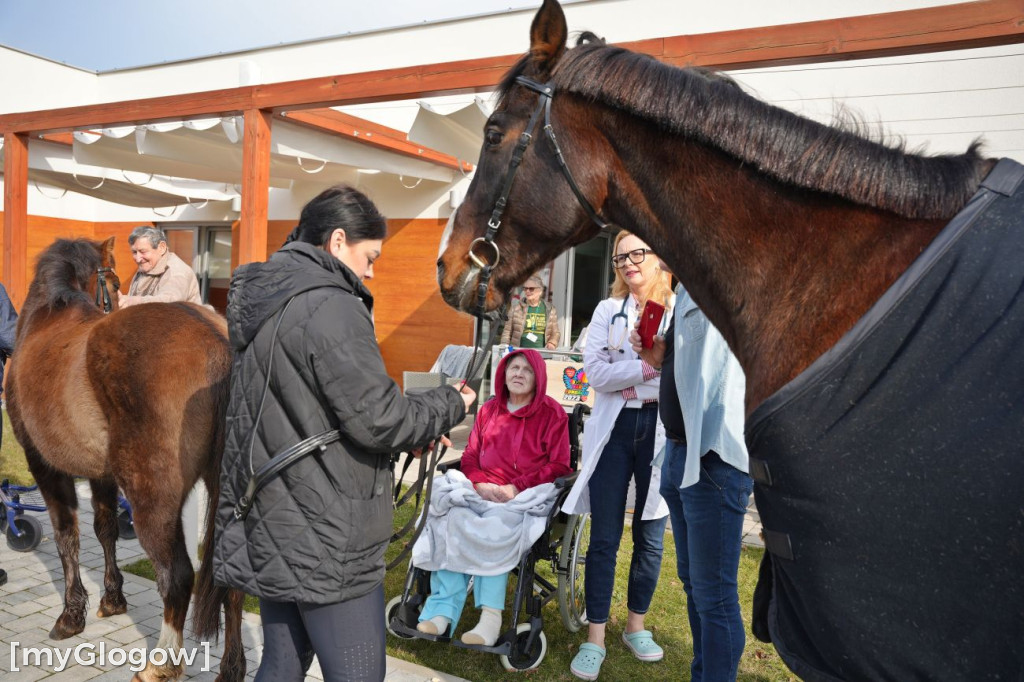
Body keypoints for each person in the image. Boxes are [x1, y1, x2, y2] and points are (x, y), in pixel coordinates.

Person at [212, 185, 476, 682]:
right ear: (337, 241)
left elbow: (321, 410)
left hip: (277, 516)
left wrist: (409, 425)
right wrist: (450, 403)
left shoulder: (270, 299)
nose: (373, 270)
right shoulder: (333, 304)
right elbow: (378, 419)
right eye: (370, 255)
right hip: (329, 531)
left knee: (283, 664)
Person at [562, 230, 674, 681]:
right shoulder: (608, 310)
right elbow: (593, 373)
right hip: (615, 428)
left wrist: (631, 375)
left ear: (657, 256)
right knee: (605, 535)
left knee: (650, 532)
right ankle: (596, 636)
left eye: (637, 254)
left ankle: (636, 626)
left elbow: (679, 375)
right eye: (620, 258)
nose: (628, 264)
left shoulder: (676, 310)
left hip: (661, 430)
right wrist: (648, 367)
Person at [631, 282, 751, 682]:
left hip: (712, 457)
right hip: (681, 454)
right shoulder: (683, 289)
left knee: (714, 596)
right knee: (695, 588)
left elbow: (723, 373)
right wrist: (661, 356)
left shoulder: (715, 278)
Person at [413, 348, 571, 645]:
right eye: (513, 368)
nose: (519, 374)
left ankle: (490, 618)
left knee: (495, 530)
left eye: (526, 370)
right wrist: (480, 484)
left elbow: (560, 464)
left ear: (538, 378)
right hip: (483, 490)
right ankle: (441, 612)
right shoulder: (488, 409)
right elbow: (471, 455)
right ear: (503, 374)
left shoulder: (553, 414)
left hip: (522, 494)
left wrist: (515, 487)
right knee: (452, 519)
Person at [118, 225, 203, 307]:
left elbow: (168, 303)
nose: (137, 259)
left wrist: (133, 301)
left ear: (162, 248)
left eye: (143, 251)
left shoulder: (177, 272)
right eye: (134, 252)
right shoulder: (146, 266)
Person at [500, 273, 560, 349]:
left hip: (541, 353)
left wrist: (552, 343)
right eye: (525, 288)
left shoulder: (549, 309)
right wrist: (504, 347)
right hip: (519, 351)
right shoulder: (516, 308)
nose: (527, 291)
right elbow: (507, 331)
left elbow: (555, 333)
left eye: (531, 289)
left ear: (540, 291)